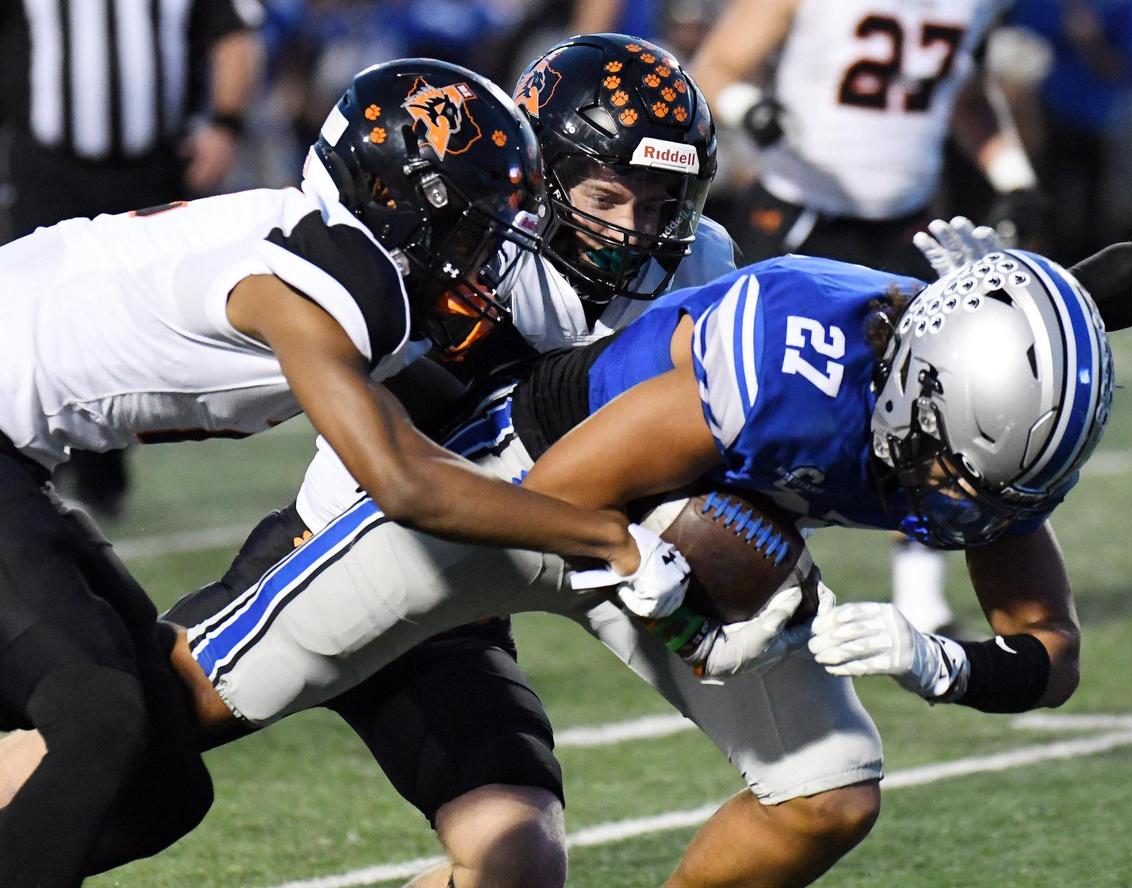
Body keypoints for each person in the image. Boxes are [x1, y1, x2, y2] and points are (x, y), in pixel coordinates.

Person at [10, 219, 1114, 885]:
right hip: (512, 489)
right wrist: (689, 616)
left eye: (998, 487)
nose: (965, 506)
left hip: (682, 540)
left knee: (827, 791)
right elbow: (565, 495)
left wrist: (946, 666)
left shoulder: (983, 421)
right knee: (162, 724)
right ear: (917, 385)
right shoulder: (791, 368)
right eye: (956, 470)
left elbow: (1049, 651)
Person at [0, 57, 692, 887]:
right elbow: (402, 482)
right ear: (398, 204)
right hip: (266, 533)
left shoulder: (341, 251)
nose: (488, 259)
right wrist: (610, 542)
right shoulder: (328, 277)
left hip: (24, 463)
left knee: (159, 782)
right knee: (103, 723)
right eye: (476, 229)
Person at [186, 32, 733, 888]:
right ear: (540, 173)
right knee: (114, 748)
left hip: (454, 606)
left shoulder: (696, 273)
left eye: (661, 206)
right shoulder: (464, 238)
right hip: (322, 553)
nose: (634, 233)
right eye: (608, 196)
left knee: (519, 862)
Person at [689, 0, 1048, 639]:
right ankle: (724, 564)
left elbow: (960, 90)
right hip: (802, 212)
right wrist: (753, 111)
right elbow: (712, 70)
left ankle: (919, 589)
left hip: (906, 219)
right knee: (745, 397)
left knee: (937, 403)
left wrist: (1011, 173)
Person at [0, 0, 264, 517]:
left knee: (134, 322)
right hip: (46, 165)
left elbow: (234, 31)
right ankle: (34, 464)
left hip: (153, 164)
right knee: (33, 315)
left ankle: (102, 475)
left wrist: (226, 124)